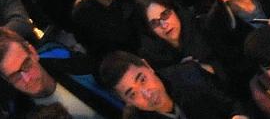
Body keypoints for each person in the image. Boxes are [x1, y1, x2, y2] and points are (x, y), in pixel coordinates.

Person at [0, 27, 123, 118]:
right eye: (15, 76)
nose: (27, 79)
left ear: (32, 52)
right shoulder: (20, 113)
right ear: (6, 79)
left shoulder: (69, 62)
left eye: (26, 64)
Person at [98, 50, 247, 119]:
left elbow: (231, 103)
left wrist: (238, 115)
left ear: (148, 66)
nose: (148, 94)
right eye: (133, 94)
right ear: (126, 102)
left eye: (142, 80)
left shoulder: (190, 75)